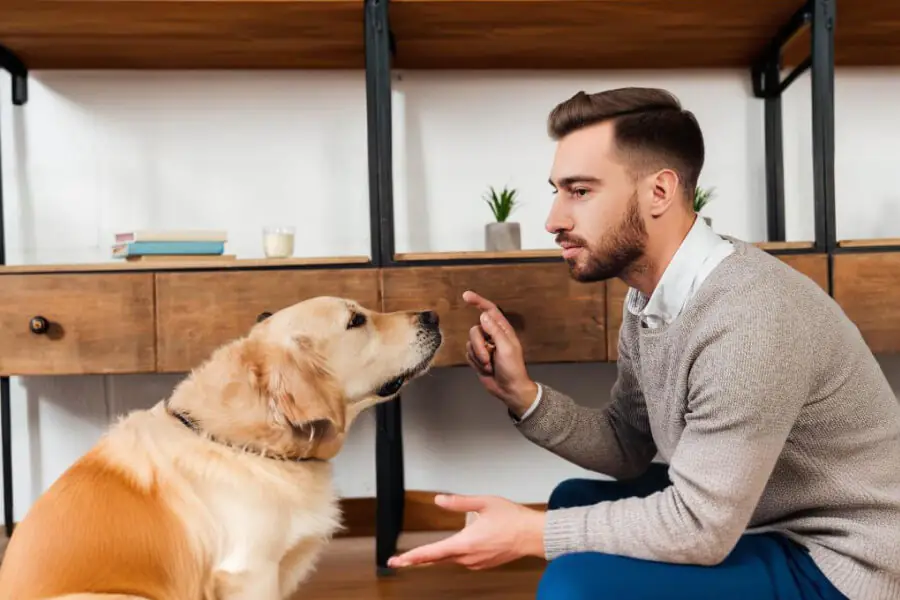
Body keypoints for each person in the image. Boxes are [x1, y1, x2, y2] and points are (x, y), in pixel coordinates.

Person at [386, 87, 900, 599]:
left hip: (842, 558)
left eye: (580, 191)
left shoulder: (750, 319)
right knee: (571, 500)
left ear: (659, 192)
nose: (554, 220)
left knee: (574, 585)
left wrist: (527, 533)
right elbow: (630, 446)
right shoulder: (653, 296)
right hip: (760, 513)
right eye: (557, 190)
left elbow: (701, 527)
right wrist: (523, 394)